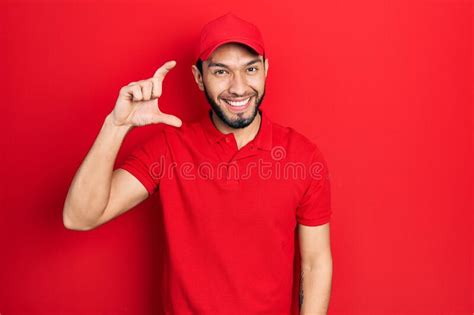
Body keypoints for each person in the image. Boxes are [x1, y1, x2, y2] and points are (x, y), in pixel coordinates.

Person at [63, 12, 333, 315]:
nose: (239, 87)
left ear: (266, 70)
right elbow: (80, 217)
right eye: (221, 72)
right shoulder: (169, 149)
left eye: (251, 69)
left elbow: (315, 262)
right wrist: (117, 125)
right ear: (198, 77)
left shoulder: (302, 156)